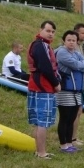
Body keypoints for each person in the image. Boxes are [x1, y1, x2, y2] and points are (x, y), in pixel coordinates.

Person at [26, 20, 61, 158]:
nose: (51, 34)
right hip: (43, 86)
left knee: (38, 121)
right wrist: (56, 83)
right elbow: (45, 66)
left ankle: (38, 150)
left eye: (53, 32)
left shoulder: (41, 45)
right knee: (43, 121)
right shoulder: (40, 46)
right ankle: (41, 152)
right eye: (48, 31)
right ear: (40, 30)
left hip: (36, 85)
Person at [54, 30, 84, 153]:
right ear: (64, 41)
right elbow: (76, 65)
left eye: (74, 40)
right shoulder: (61, 53)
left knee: (72, 118)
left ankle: (70, 143)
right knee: (65, 118)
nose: (71, 43)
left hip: (76, 92)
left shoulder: (76, 53)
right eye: (69, 40)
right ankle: (63, 145)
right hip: (65, 91)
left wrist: (81, 64)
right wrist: (82, 64)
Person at [70, 23, 84, 146]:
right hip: (73, 84)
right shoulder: (72, 48)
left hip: (81, 83)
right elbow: (81, 65)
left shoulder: (80, 46)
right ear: (76, 32)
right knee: (74, 112)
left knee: (79, 111)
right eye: (83, 33)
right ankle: (71, 138)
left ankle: (74, 137)